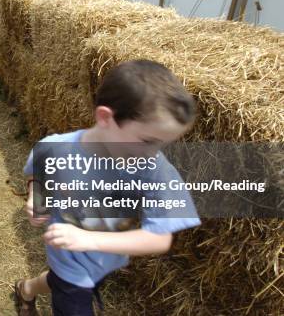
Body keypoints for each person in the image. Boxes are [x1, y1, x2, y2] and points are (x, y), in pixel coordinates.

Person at [14, 60, 201, 316]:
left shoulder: (156, 169)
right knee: (68, 284)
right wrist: (37, 197)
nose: (153, 153)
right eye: (147, 141)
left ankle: (26, 289)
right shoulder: (54, 147)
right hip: (70, 260)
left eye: (163, 145)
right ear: (105, 118)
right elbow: (38, 175)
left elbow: (159, 238)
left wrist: (89, 239)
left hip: (106, 260)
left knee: (61, 281)